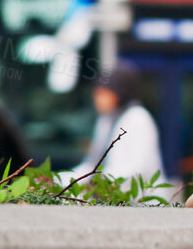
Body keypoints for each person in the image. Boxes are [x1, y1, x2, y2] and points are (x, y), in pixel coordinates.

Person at [62, 60, 164, 189]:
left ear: (120, 93)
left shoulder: (138, 118)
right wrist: (60, 180)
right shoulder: (106, 120)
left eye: (103, 93)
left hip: (141, 202)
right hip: (111, 197)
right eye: (97, 93)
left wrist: (93, 183)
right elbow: (92, 163)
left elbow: (134, 169)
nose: (97, 99)